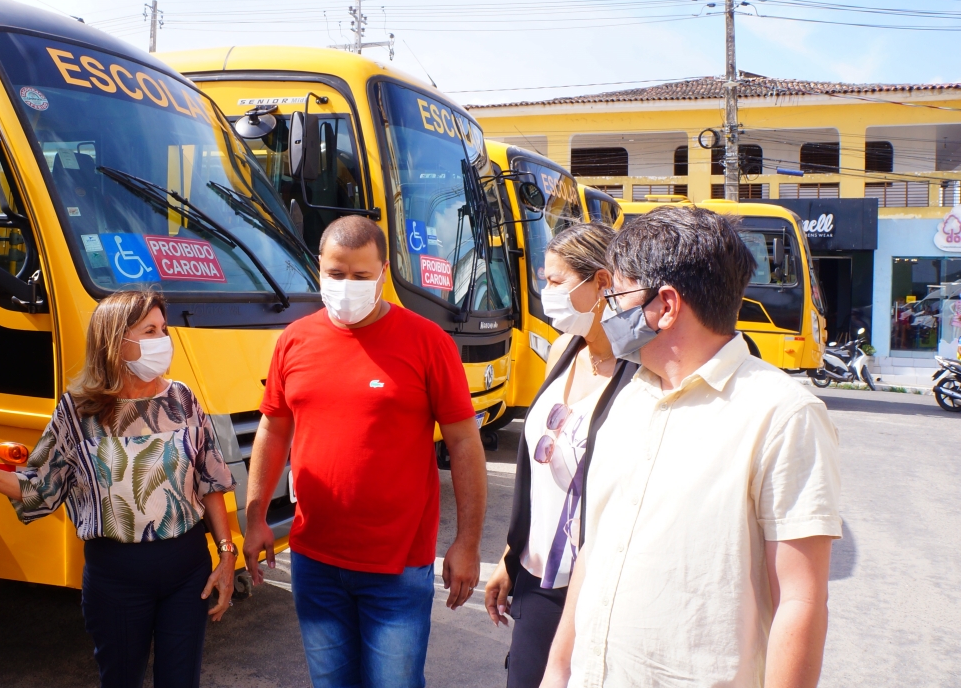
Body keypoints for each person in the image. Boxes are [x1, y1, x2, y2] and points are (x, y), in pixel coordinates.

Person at [540, 207, 842, 688]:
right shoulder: (630, 397)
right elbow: (595, 551)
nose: (607, 310)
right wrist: (558, 671)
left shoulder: (782, 414)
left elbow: (800, 601)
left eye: (616, 294)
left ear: (665, 305)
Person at [241, 215, 487, 688]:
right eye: (336, 275)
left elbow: (464, 444)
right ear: (319, 269)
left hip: (397, 567)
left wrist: (468, 543)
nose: (346, 286)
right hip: (314, 560)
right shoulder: (293, 341)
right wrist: (254, 519)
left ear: (383, 271)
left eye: (360, 276)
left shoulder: (428, 342)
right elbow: (273, 430)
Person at [0, 289, 237, 688]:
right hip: (116, 576)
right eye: (149, 330)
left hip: (187, 568)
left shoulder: (182, 399)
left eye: (163, 329)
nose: (163, 341)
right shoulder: (78, 410)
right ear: (115, 340)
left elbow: (211, 480)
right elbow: (43, 489)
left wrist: (226, 556)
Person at [482, 222, 636, 687]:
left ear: (602, 283)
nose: (546, 292)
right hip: (536, 581)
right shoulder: (562, 350)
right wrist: (511, 555)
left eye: (556, 281)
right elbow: (540, 473)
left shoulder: (642, 372)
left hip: (599, 587)